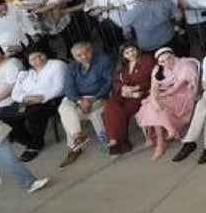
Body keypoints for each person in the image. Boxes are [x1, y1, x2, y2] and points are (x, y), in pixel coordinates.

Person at [135, 47, 199, 162]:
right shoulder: (157, 69)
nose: (167, 63)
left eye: (169, 58)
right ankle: (164, 138)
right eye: (162, 61)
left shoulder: (185, 66)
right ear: (159, 63)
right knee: (153, 107)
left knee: (154, 106)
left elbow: (175, 89)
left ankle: (163, 140)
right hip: (164, 94)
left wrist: (156, 98)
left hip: (182, 95)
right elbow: (154, 88)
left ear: (173, 55)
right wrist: (154, 100)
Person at [58, 40, 113, 168]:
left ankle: (74, 147)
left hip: (97, 96)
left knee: (70, 116)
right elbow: (68, 88)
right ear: (74, 57)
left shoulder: (102, 60)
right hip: (77, 98)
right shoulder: (71, 67)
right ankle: (78, 136)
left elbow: (108, 82)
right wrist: (79, 100)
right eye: (79, 55)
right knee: (64, 108)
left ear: (91, 50)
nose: (84, 56)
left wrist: (93, 99)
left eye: (86, 52)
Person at [103, 43, 154, 156]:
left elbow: (153, 78)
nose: (131, 54)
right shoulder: (123, 66)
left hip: (140, 94)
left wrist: (137, 87)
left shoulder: (147, 60)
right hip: (124, 93)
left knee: (121, 111)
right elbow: (116, 81)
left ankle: (118, 141)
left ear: (137, 50)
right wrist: (123, 87)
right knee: (110, 106)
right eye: (127, 52)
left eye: (132, 50)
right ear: (123, 56)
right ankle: (115, 140)